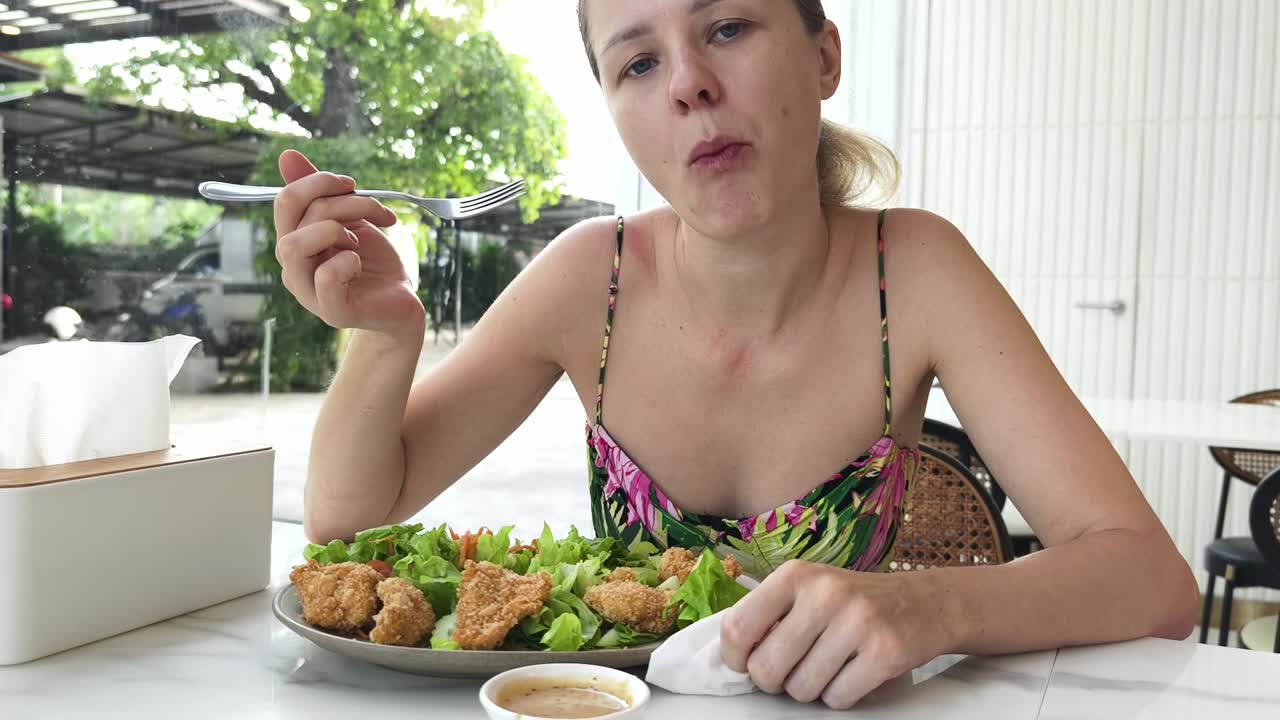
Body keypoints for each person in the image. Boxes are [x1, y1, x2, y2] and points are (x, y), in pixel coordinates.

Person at [271, 0, 1198, 709]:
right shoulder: (588, 279)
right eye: (638, 62)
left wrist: (934, 605)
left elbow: (1150, 578)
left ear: (824, 56)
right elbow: (346, 521)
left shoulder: (914, 271)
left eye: (726, 28)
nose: (688, 84)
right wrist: (383, 337)